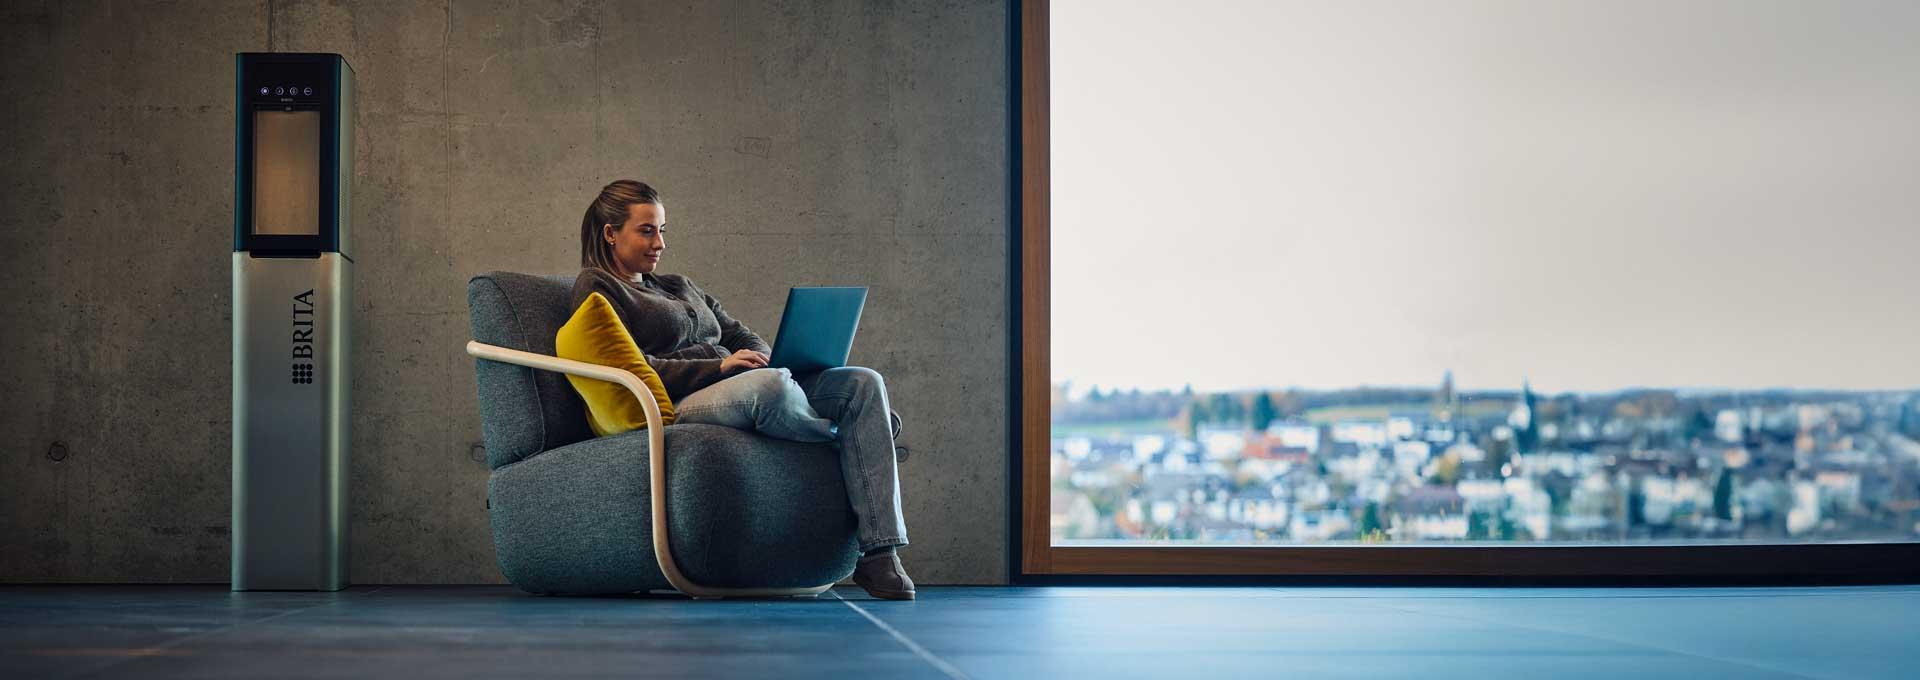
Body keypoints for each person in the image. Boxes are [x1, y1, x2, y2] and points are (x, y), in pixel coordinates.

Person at [569, 179, 915, 600]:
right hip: (685, 400)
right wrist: (719, 366)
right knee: (771, 388)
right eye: (646, 231)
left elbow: (742, 335)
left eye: (662, 230)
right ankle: (854, 436)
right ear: (610, 233)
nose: (659, 243)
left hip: (747, 382)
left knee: (862, 382)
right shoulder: (597, 289)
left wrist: (763, 357)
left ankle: (880, 554)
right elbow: (637, 366)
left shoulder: (679, 285)